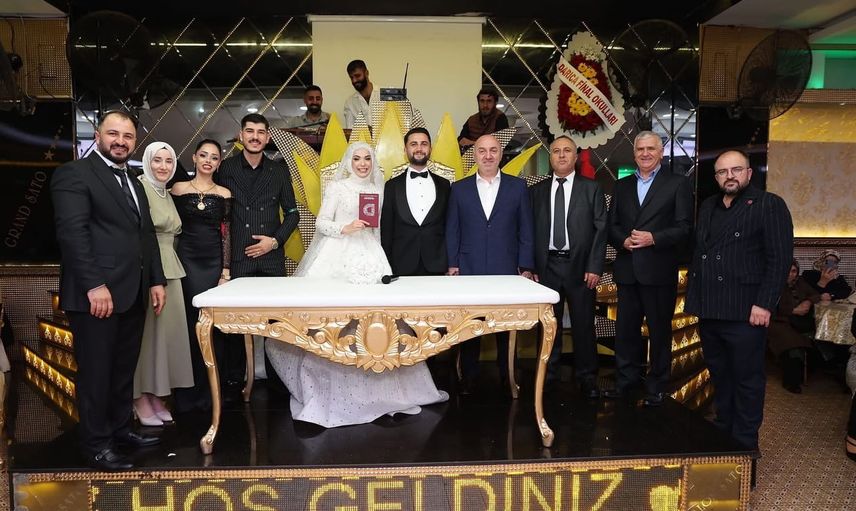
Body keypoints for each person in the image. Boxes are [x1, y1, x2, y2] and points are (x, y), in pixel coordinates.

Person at [265, 142, 449, 427]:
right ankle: (331, 392)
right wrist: (345, 227)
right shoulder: (337, 188)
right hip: (337, 258)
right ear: (349, 162)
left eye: (367, 159)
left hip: (371, 255)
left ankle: (381, 389)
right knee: (336, 324)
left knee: (379, 321)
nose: (362, 164)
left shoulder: (379, 189)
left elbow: (381, 228)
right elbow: (321, 222)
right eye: (357, 159)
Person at [51, 110, 165, 471]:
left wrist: (156, 279)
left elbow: (145, 234)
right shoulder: (74, 174)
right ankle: (96, 444)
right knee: (97, 373)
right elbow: (73, 234)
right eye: (113, 134)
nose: (120, 141)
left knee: (122, 370)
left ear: (135, 141)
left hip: (132, 291)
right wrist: (94, 285)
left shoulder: (133, 180)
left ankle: (119, 430)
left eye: (127, 136)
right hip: (96, 296)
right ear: (98, 136)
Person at [685, 149, 793, 452]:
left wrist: (765, 303)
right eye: (722, 171)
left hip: (746, 311)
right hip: (710, 309)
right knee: (721, 377)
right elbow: (701, 252)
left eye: (736, 170)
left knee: (747, 381)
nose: (729, 176)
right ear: (716, 177)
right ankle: (724, 437)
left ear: (749, 173)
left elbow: (779, 259)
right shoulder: (709, 205)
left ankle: (745, 446)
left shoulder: (769, 204)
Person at [605, 130, 693, 406]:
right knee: (626, 332)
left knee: (659, 331)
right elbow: (611, 225)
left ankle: (657, 385)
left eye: (650, 149)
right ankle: (625, 382)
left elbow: (684, 228)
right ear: (634, 154)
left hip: (658, 270)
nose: (645, 154)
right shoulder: (622, 185)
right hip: (628, 270)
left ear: (661, 152)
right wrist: (623, 241)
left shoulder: (677, 183)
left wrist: (653, 238)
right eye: (640, 149)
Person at [216, 113, 299, 388]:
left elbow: (292, 214)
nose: (255, 136)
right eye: (249, 131)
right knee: (235, 324)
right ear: (241, 135)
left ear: (268, 137)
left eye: (260, 132)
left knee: (276, 325)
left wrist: (274, 241)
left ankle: (279, 382)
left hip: (271, 258)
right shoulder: (225, 168)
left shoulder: (278, 170)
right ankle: (233, 381)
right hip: (238, 258)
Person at [446, 134, 535, 393]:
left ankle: (507, 376)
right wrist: (452, 263)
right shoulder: (459, 188)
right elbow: (452, 229)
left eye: (493, 150)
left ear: (500, 154)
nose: (488, 155)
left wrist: (525, 266)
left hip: (507, 268)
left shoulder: (518, 187)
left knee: (505, 327)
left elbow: (526, 230)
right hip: (468, 267)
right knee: (470, 325)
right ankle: (468, 378)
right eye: (482, 150)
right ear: (475, 155)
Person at [530, 136, 607, 398]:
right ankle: (548, 375)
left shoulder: (591, 189)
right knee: (548, 325)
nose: (561, 155)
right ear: (550, 157)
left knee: (583, 325)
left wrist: (595, 266)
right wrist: (530, 266)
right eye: (556, 151)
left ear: (575, 156)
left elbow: (601, 229)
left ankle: (587, 377)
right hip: (546, 267)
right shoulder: (536, 191)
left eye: (567, 151)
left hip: (581, 267)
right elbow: (529, 231)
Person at [133, 142, 195, 426]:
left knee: (165, 338)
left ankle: (156, 393)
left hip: (172, 270)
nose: (163, 166)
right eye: (157, 160)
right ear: (147, 161)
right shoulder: (140, 188)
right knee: (147, 338)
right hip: (150, 272)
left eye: (169, 161)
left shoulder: (165, 192)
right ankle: (138, 397)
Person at [171, 139, 233, 413]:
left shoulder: (224, 193)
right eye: (204, 155)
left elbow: (226, 234)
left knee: (212, 327)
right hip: (185, 262)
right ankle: (186, 392)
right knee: (188, 325)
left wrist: (225, 271)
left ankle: (211, 391)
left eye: (214, 157)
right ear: (194, 158)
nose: (208, 161)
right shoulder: (178, 189)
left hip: (213, 263)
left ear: (219, 163)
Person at [381, 127, 450, 276]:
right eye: (413, 144)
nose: (419, 148)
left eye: (424, 144)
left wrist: (451, 263)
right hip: (400, 265)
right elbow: (386, 230)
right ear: (405, 150)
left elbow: (449, 227)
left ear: (430, 149)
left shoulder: (445, 185)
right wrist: (385, 265)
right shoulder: (391, 186)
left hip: (437, 265)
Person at [768, 259, 820, 394]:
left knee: (815, 339)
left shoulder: (800, 282)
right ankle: (791, 381)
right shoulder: (772, 283)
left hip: (797, 322)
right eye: (787, 271)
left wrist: (808, 302)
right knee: (792, 345)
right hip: (777, 322)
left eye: (793, 271)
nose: (790, 275)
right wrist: (792, 310)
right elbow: (768, 306)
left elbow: (816, 294)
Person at [344, 60, 378, 129]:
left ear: (366, 73)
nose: (354, 80)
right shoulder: (349, 103)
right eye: (351, 77)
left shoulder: (384, 95)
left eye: (357, 76)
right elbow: (350, 131)